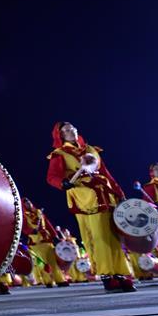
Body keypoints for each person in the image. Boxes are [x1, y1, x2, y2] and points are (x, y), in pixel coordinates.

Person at [46, 122, 135, 292]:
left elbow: (105, 173)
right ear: (60, 136)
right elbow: (51, 177)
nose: (70, 131)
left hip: (105, 196)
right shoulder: (60, 154)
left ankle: (120, 273)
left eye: (72, 128)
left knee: (114, 237)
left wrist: (119, 192)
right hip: (85, 199)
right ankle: (107, 276)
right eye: (65, 130)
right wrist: (62, 183)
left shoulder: (91, 149)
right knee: (98, 237)